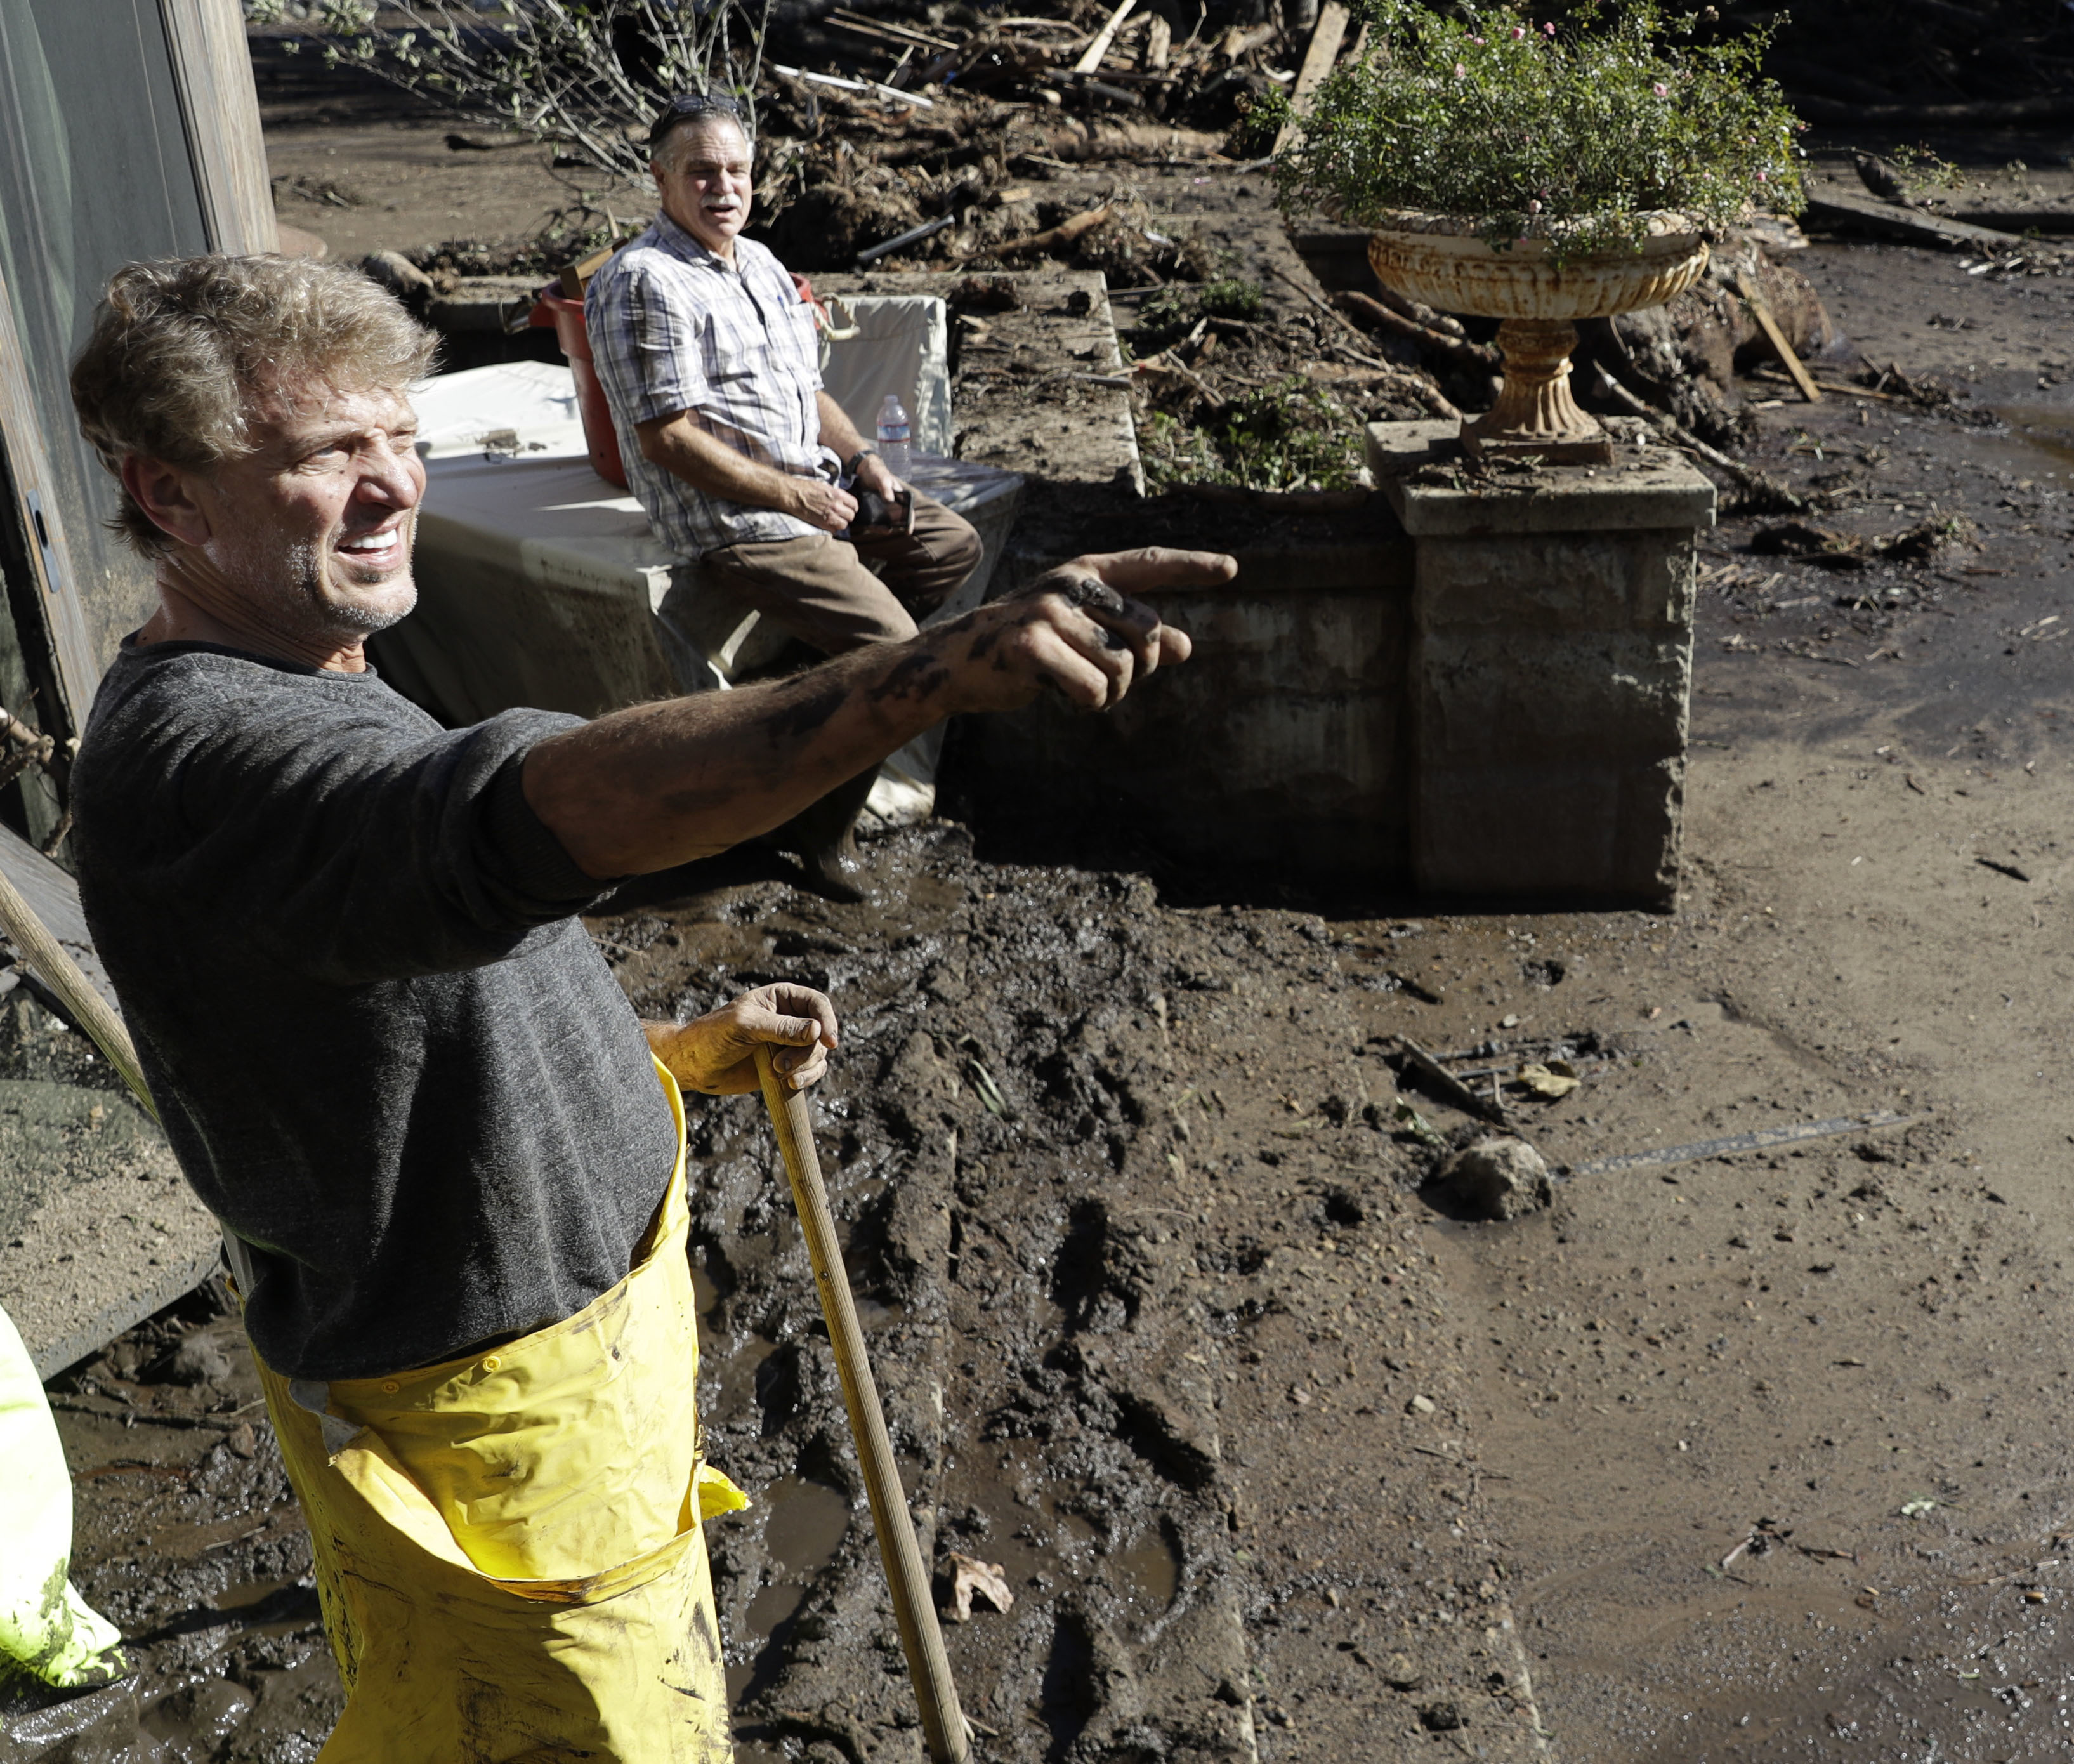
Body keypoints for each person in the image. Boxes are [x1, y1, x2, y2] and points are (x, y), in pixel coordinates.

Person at [65, 251, 1231, 1760]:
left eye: (401, 437)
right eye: (323, 455)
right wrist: (908, 680)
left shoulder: (310, 661)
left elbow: (406, 1005)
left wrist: (656, 1059)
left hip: (569, 1368)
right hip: (493, 1425)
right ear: (171, 501)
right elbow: (522, 816)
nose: (390, 486)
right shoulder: (211, 757)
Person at [586, 89, 975, 901]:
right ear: (660, 178)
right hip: (740, 523)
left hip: (811, 493)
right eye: (700, 172)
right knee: (897, 652)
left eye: (736, 171)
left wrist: (864, 459)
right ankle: (820, 831)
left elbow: (810, 391)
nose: (722, 187)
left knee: (950, 545)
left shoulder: (760, 263)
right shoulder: (641, 281)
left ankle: (817, 683)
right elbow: (667, 438)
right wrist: (795, 498)